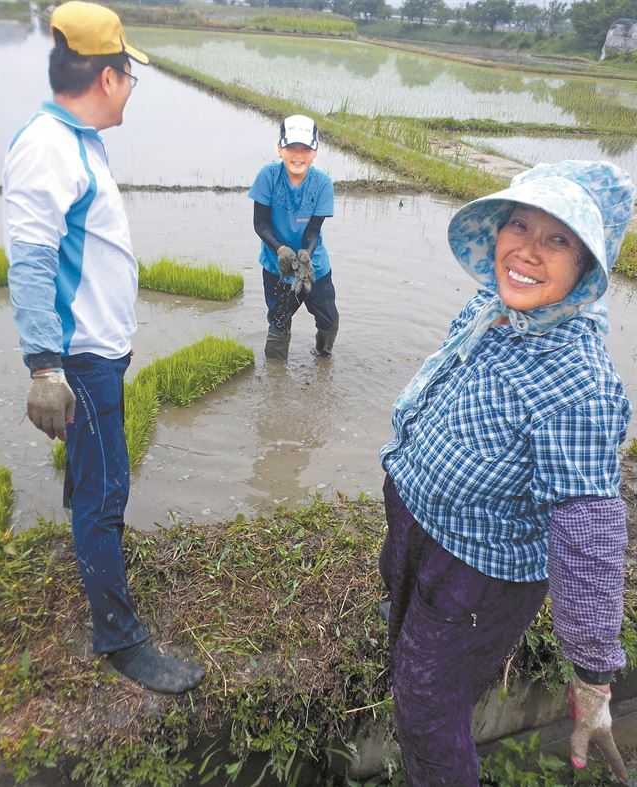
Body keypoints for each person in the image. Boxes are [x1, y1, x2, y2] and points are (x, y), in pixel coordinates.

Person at [378, 160, 635, 785]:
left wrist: (594, 676)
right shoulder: (494, 305)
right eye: (518, 224)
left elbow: (588, 534)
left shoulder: (578, 385)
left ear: (586, 269)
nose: (525, 251)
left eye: (558, 239)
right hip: (420, 525)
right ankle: (418, 652)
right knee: (406, 637)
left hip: (478, 574)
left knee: (426, 716)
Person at [3, 0, 204, 694]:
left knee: (98, 481)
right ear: (109, 76)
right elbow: (28, 259)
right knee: (104, 489)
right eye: (131, 75)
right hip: (79, 361)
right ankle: (119, 637)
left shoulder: (78, 140)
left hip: (97, 354)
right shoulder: (48, 147)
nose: (131, 90)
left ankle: (94, 553)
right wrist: (43, 367)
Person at [248, 114, 339, 360]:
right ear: (280, 148)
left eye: (305, 148)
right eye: (291, 147)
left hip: (314, 267)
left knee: (329, 321)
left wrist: (305, 254)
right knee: (278, 323)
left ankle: (322, 356)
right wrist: (280, 250)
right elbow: (260, 223)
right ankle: (275, 378)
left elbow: (313, 230)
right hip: (276, 268)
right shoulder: (268, 176)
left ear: (315, 151)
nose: (298, 155)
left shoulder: (322, 184)